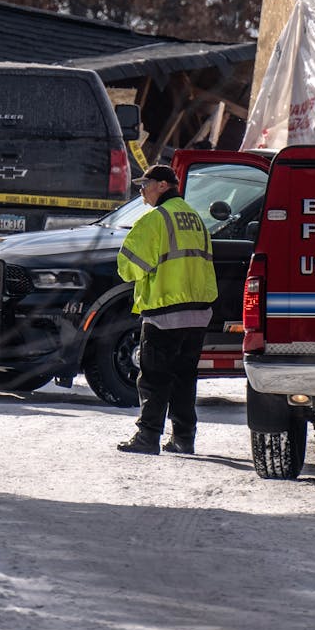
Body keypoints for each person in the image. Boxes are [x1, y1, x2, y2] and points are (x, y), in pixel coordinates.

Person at [115, 164, 218, 456]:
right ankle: (184, 438)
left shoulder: (155, 220)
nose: (141, 191)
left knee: (154, 379)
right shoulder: (195, 218)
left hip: (164, 312)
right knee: (184, 378)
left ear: (162, 185)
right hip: (198, 313)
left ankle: (147, 437)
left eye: (145, 184)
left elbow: (128, 268)